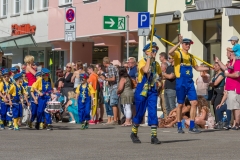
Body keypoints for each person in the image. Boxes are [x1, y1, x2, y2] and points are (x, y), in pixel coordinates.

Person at [168, 35, 209, 134]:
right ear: (182, 44)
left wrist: (209, 68)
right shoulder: (178, 54)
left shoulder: (191, 57)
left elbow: (197, 68)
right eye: (186, 44)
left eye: (189, 44)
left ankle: (191, 126)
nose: (188, 46)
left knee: (194, 103)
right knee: (180, 105)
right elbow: (170, 52)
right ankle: (179, 126)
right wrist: (178, 43)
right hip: (180, 82)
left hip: (189, 82)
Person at [130, 42, 161, 144]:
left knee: (153, 111)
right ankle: (134, 133)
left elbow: (159, 75)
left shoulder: (156, 64)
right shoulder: (142, 62)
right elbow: (146, 70)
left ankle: (154, 136)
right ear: (146, 52)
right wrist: (148, 58)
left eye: (156, 50)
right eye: (152, 50)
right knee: (140, 111)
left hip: (152, 90)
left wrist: (160, 83)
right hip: (142, 90)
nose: (154, 52)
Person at [216, 51, 240, 130]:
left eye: (227, 53)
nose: (226, 54)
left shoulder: (237, 62)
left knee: (236, 107)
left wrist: (228, 75)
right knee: (233, 107)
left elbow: (237, 74)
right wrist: (219, 62)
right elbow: (225, 69)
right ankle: (234, 123)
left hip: (235, 88)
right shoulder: (230, 63)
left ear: (231, 53)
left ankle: (236, 124)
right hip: (230, 88)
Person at [103, 57, 120, 125]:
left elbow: (113, 78)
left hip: (114, 87)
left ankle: (115, 119)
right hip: (113, 87)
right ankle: (117, 119)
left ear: (104, 62)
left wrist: (105, 79)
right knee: (115, 103)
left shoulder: (110, 68)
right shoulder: (112, 67)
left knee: (113, 103)